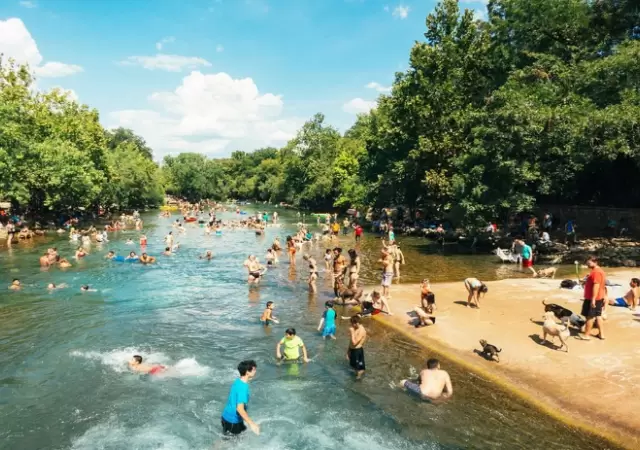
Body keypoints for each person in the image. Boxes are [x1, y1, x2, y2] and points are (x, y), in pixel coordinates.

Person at [580, 256, 606, 340]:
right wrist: (586, 281)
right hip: (599, 297)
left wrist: (593, 299)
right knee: (598, 316)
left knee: (589, 316)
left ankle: (587, 335)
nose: (587, 265)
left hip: (593, 298)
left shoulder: (596, 272)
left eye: (589, 263)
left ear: (595, 262)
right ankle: (601, 334)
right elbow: (600, 284)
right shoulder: (598, 271)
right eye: (587, 263)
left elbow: (596, 285)